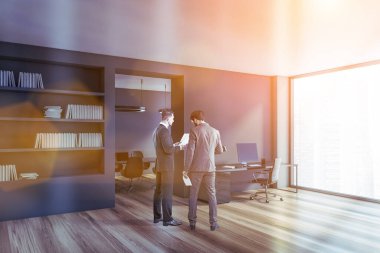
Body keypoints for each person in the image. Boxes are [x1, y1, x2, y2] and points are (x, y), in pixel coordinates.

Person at [183, 110, 225, 231]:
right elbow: (220, 150)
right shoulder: (215, 131)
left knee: (193, 195)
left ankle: (192, 222)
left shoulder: (194, 131)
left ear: (196, 119)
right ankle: (213, 223)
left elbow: (190, 152)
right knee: (212, 195)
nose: (192, 123)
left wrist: (186, 169)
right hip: (211, 168)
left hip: (196, 169)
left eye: (192, 121)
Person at [153, 109, 183, 226]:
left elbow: (164, 147)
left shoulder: (157, 130)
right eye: (173, 118)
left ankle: (157, 217)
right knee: (167, 193)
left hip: (160, 165)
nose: (174, 120)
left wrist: (174, 144)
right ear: (167, 118)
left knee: (158, 192)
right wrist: (181, 147)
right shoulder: (164, 131)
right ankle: (168, 219)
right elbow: (168, 150)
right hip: (167, 167)